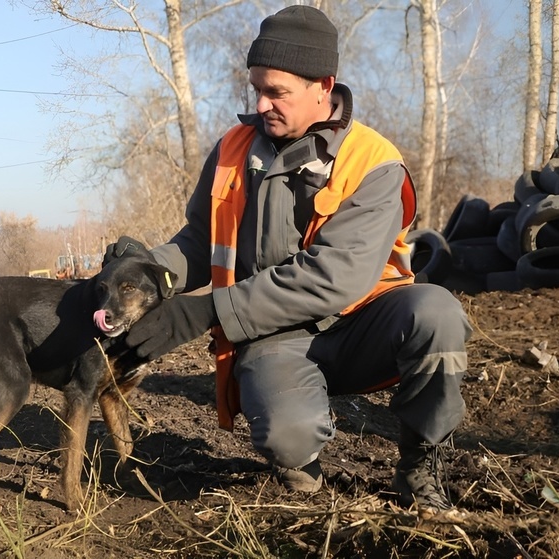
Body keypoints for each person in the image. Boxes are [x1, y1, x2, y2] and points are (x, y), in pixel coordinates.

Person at [109, 5, 472, 519]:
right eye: (256, 87)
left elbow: (335, 277)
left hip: (364, 321)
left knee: (437, 314)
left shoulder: (373, 161)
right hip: (275, 332)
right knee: (287, 438)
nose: (261, 104)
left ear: (323, 86)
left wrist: (207, 311)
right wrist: (143, 272)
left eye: (276, 92)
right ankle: (301, 460)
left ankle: (419, 468)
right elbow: (199, 241)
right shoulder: (233, 149)